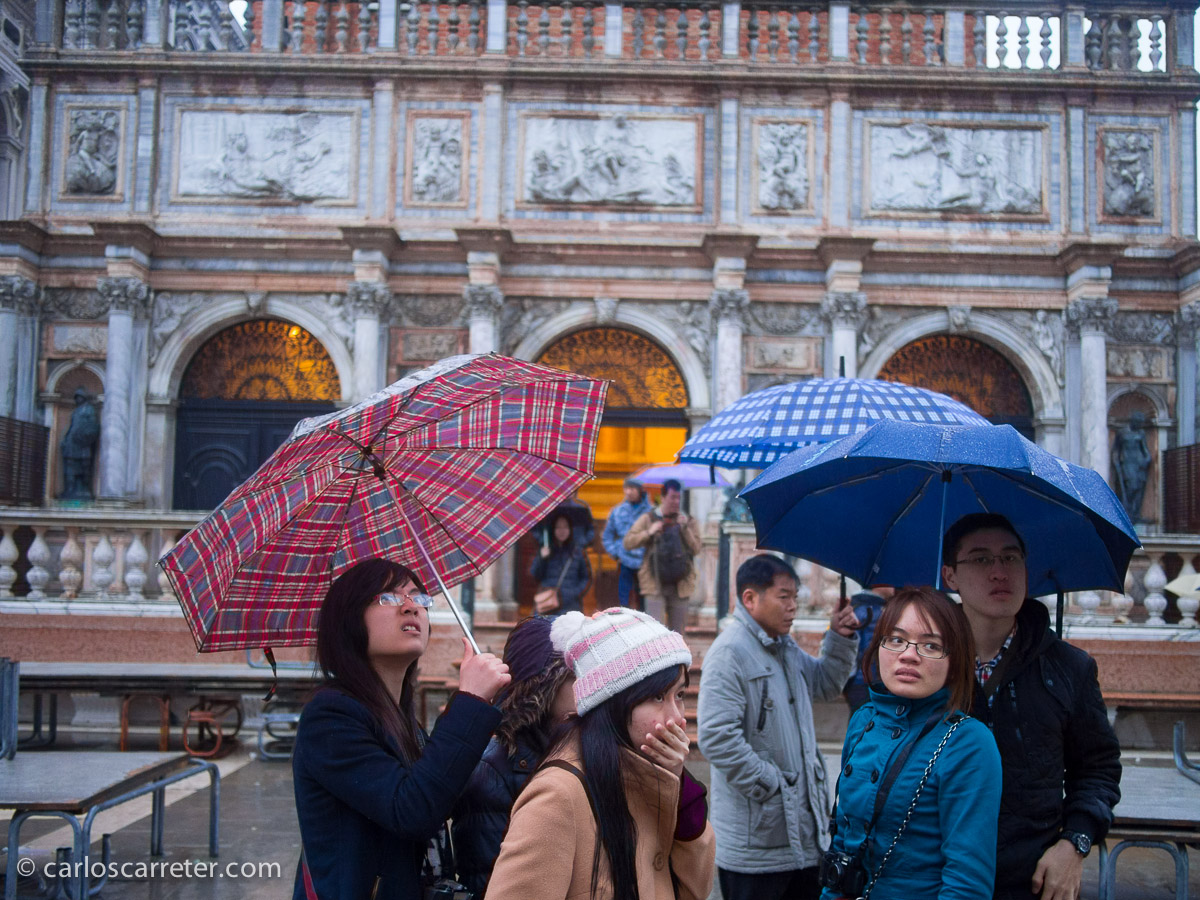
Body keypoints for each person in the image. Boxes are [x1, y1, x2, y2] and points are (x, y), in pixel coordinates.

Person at [291, 558, 511, 900]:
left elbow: (438, 796)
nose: (411, 608)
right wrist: (469, 702)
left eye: (418, 598)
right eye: (389, 598)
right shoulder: (331, 716)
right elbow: (412, 810)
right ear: (349, 619)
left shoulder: (403, 719)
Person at [941, 513, 1122, 900]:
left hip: (1031, 879)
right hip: (936, 874)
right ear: (950, 576)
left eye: (1010, 558)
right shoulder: (926, 664)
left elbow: (1097, 769)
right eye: (981, 559)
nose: (999, 572)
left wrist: (1074, 842)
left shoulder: (1068, 668)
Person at [485, 607, 715, 900]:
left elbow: (696, 889)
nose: (676, 718)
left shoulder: (648, 773)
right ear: (613, 702)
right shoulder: (557, 796)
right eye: (657, 696)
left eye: (679, 695)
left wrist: (681, 791)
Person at [820, 587, 1002, 900]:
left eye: (931, 645)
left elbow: (966, 885)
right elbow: (843, 842)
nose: (908, 654)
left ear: (954, 659)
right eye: (896, 639)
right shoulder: (864, 720)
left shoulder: (968, 743)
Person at [697, 554, 860, 900]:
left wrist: (840, 637)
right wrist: (772, 784)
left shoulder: (783, 647)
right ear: (750, 598)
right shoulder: (730, 653)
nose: (793, 607)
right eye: (784, 597)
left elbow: (826, 684)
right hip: (756, 843)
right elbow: (716, 736)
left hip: (801, 837)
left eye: (796, 598)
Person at [452, 616, 577, 896]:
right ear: (541, 688)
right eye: (572, 678)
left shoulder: (581, 748)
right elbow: (490, 878)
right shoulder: (493, 770)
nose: (585, 689)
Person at [623, 478, 701, 633]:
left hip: (681, 584)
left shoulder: (688, 520)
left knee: (678, 634)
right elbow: (628, 542)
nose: (676, 501)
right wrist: (649, 532)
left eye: (679, 498)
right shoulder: (649, 518)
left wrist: (685, 529)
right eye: (673, 497)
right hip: (654, 583)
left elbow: (697, 549)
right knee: (654, 632)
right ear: (663, 497)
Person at [842, 585, 894, 713]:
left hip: (862, 681)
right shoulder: (868, 610)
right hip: (863, 682)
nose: (894, 587)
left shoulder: (867, 608)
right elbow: (850, 647)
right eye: (889, 582)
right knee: (862, 720)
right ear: (879, 584)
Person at [602, 476, 651, 608]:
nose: (628, 492)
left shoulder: (650, 512)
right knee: (623, 603)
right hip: (624, 563)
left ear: (641, 490)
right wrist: (615, 552)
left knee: (644, 604)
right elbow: (607, 536)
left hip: (645, 564)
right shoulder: (618, 511)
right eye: (626, 488)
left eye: (632, 488)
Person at [530, 513, 592, 613]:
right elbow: (536, 575)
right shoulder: (545, 549)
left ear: (570, 530)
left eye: (565, 527)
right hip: (548, 604)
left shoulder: (577, 552)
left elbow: (586, 577)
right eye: (558, 527)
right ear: (553, 530)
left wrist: (575, 593)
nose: (562, 531)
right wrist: (542, 558)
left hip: (570, 606)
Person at [1111, 410, 1152, 522]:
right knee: (1130, 487)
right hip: (1127, 465)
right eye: (1138, 422)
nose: (1139, 425)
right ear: (1133, 421)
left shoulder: (1141, 433)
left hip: (1139, 465)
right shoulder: (1122, 433)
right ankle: (1126, 512)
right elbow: (1116, 449)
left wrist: (1147, 460)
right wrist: (1116, 461)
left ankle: (1134, 514)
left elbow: (1145, 450)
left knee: (1138, 490)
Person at [60, 388, 100, 500]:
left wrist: (85, 438)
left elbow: (92, 426)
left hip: (83, 444)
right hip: (72, 442)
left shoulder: (88, 410)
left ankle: (85, 489)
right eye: (76, 397)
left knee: (84, 466)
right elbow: (72, 427)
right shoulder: (76, 412)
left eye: (79, 397)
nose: (77, 399)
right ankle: (70, 489)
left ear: (83, 398)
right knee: (70, 465)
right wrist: (66, 439)